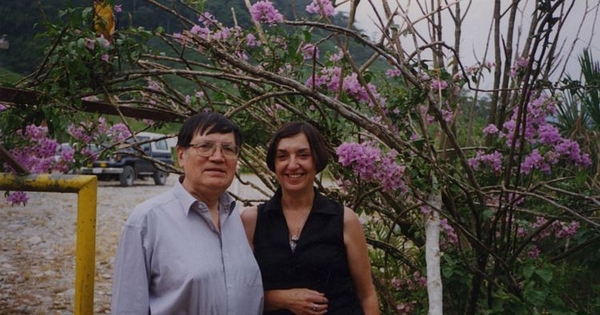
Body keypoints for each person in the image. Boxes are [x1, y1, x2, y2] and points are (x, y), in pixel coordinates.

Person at [111, 112, 263, 315]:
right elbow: (128, 308)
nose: (218, 157)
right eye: (205, 147)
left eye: (228, 149)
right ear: (181, 155)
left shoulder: (238, 219)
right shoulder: (147, 221)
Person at [241, 122, 380, 315]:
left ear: (317, 160)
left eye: (303, 155)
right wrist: (282, 299)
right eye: (282, 156)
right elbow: (239, 296)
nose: (292, 164)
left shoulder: (344, 220)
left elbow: (367, 295)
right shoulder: (251, 221)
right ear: (274, 164)